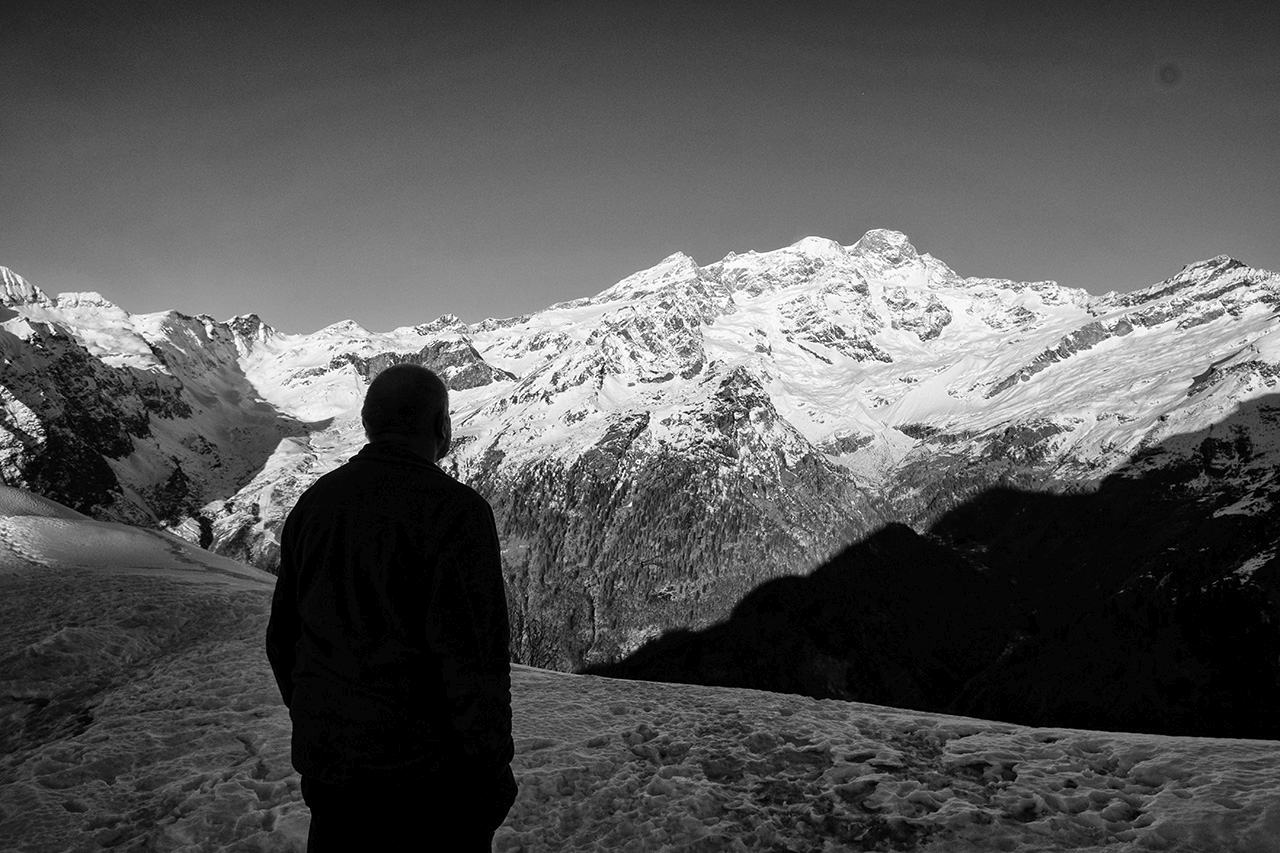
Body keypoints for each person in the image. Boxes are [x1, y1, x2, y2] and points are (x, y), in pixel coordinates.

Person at [266, 363, 516, 851]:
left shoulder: (315, 504)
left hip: (333, 774)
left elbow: (283, 639)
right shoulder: (457, 512)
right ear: (442, 428)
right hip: (428, 784)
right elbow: (473, 659)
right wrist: (490, 767)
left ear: (366, 422)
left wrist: (324, 721)